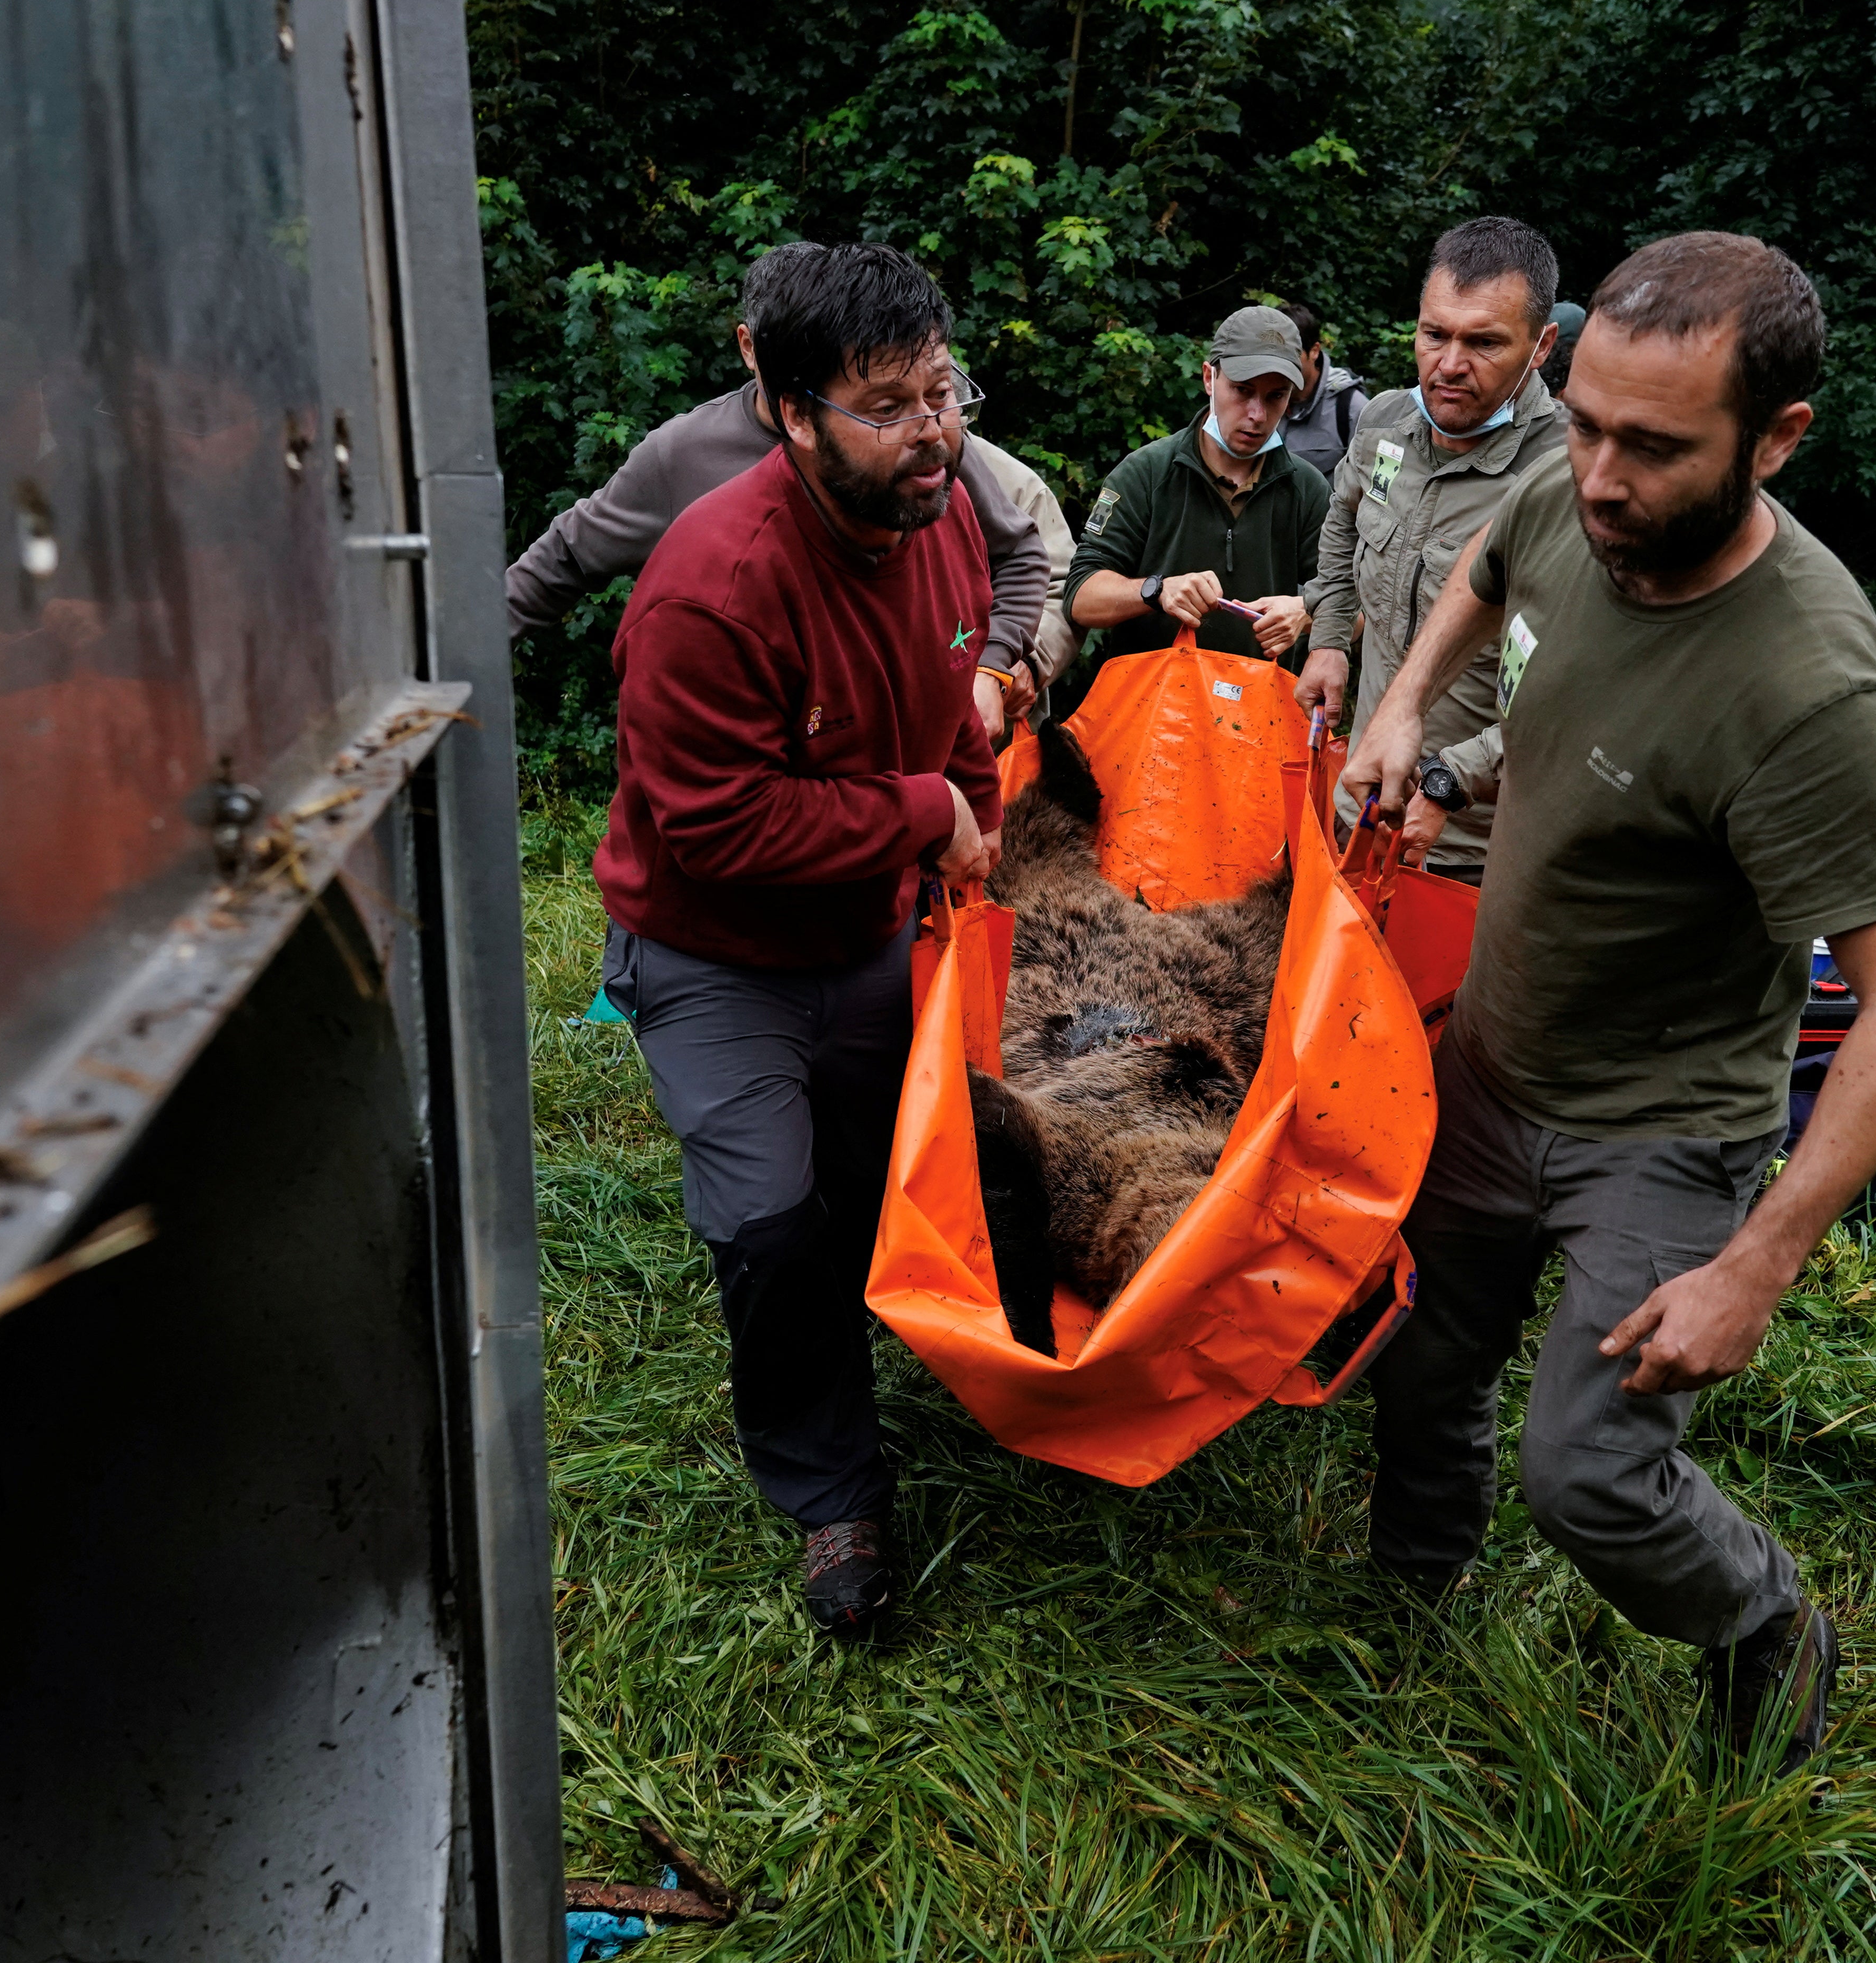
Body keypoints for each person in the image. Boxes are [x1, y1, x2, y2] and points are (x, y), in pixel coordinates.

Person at [1342, 233, 1876, 1775]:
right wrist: (1405, 708)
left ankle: (1763, 1622)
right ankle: (1410, 1607)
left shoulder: (1805, 690)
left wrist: (1758, 1260)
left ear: (1777, 438)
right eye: (1589, 420)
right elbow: (1484, 574)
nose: (1600, 476)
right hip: (1490, 1055)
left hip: (1659, 1127)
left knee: (1591, 1473)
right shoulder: (1567, 490)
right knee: (1420, 1360)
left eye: (1654, 446)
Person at [593, 244, 1004, 1637]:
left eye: (940, 393)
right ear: (787, 409)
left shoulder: (938, 518)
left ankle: (979, 1368)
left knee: (911, 1168)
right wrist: (923, 806)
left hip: (871, 927)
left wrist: (974, 807)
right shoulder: (710, 590)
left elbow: (954, 693)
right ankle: (833, 1493)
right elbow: (715, 830)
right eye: (884, 406)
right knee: (772, 1228)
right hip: (715, 953)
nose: (928, 433)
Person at [505, 240, 1068, 735]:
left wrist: (989, 668)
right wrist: (454, 658)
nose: (920, 424)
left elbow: (1018, 553)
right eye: (885, 408)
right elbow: (565, 558)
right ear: (750, 347)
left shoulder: (920, 442)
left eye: (936, 395)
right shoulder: (685, 458)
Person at [1293, 217, 1571, 884]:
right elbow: (1343, 523)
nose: (1448, 365)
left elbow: (1591, 694)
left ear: (1541, 346)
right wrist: (1330, 637)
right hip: (1358, 812)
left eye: (1484, 343)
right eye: (1434, 334)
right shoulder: (1386, 421)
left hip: (1484, 852)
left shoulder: (1571, 479)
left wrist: (1454, 780)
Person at [1056, 305, 1327, 712]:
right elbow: (1080, 596)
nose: (1257, 414)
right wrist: (1156, 590)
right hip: (1146, 722)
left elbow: (1358, 609)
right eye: (1242, 390)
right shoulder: (1146, 474)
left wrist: (1306, 610)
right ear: (1209, 378)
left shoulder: (1308, 489)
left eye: (1276, 397)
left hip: (1260, 724)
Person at [1276, 301, 1369, 480]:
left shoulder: (1351, 408)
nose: (1280, 365)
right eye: (1274, 355)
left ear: (1315, 351)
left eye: (1290, 355)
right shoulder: (1256, 402)